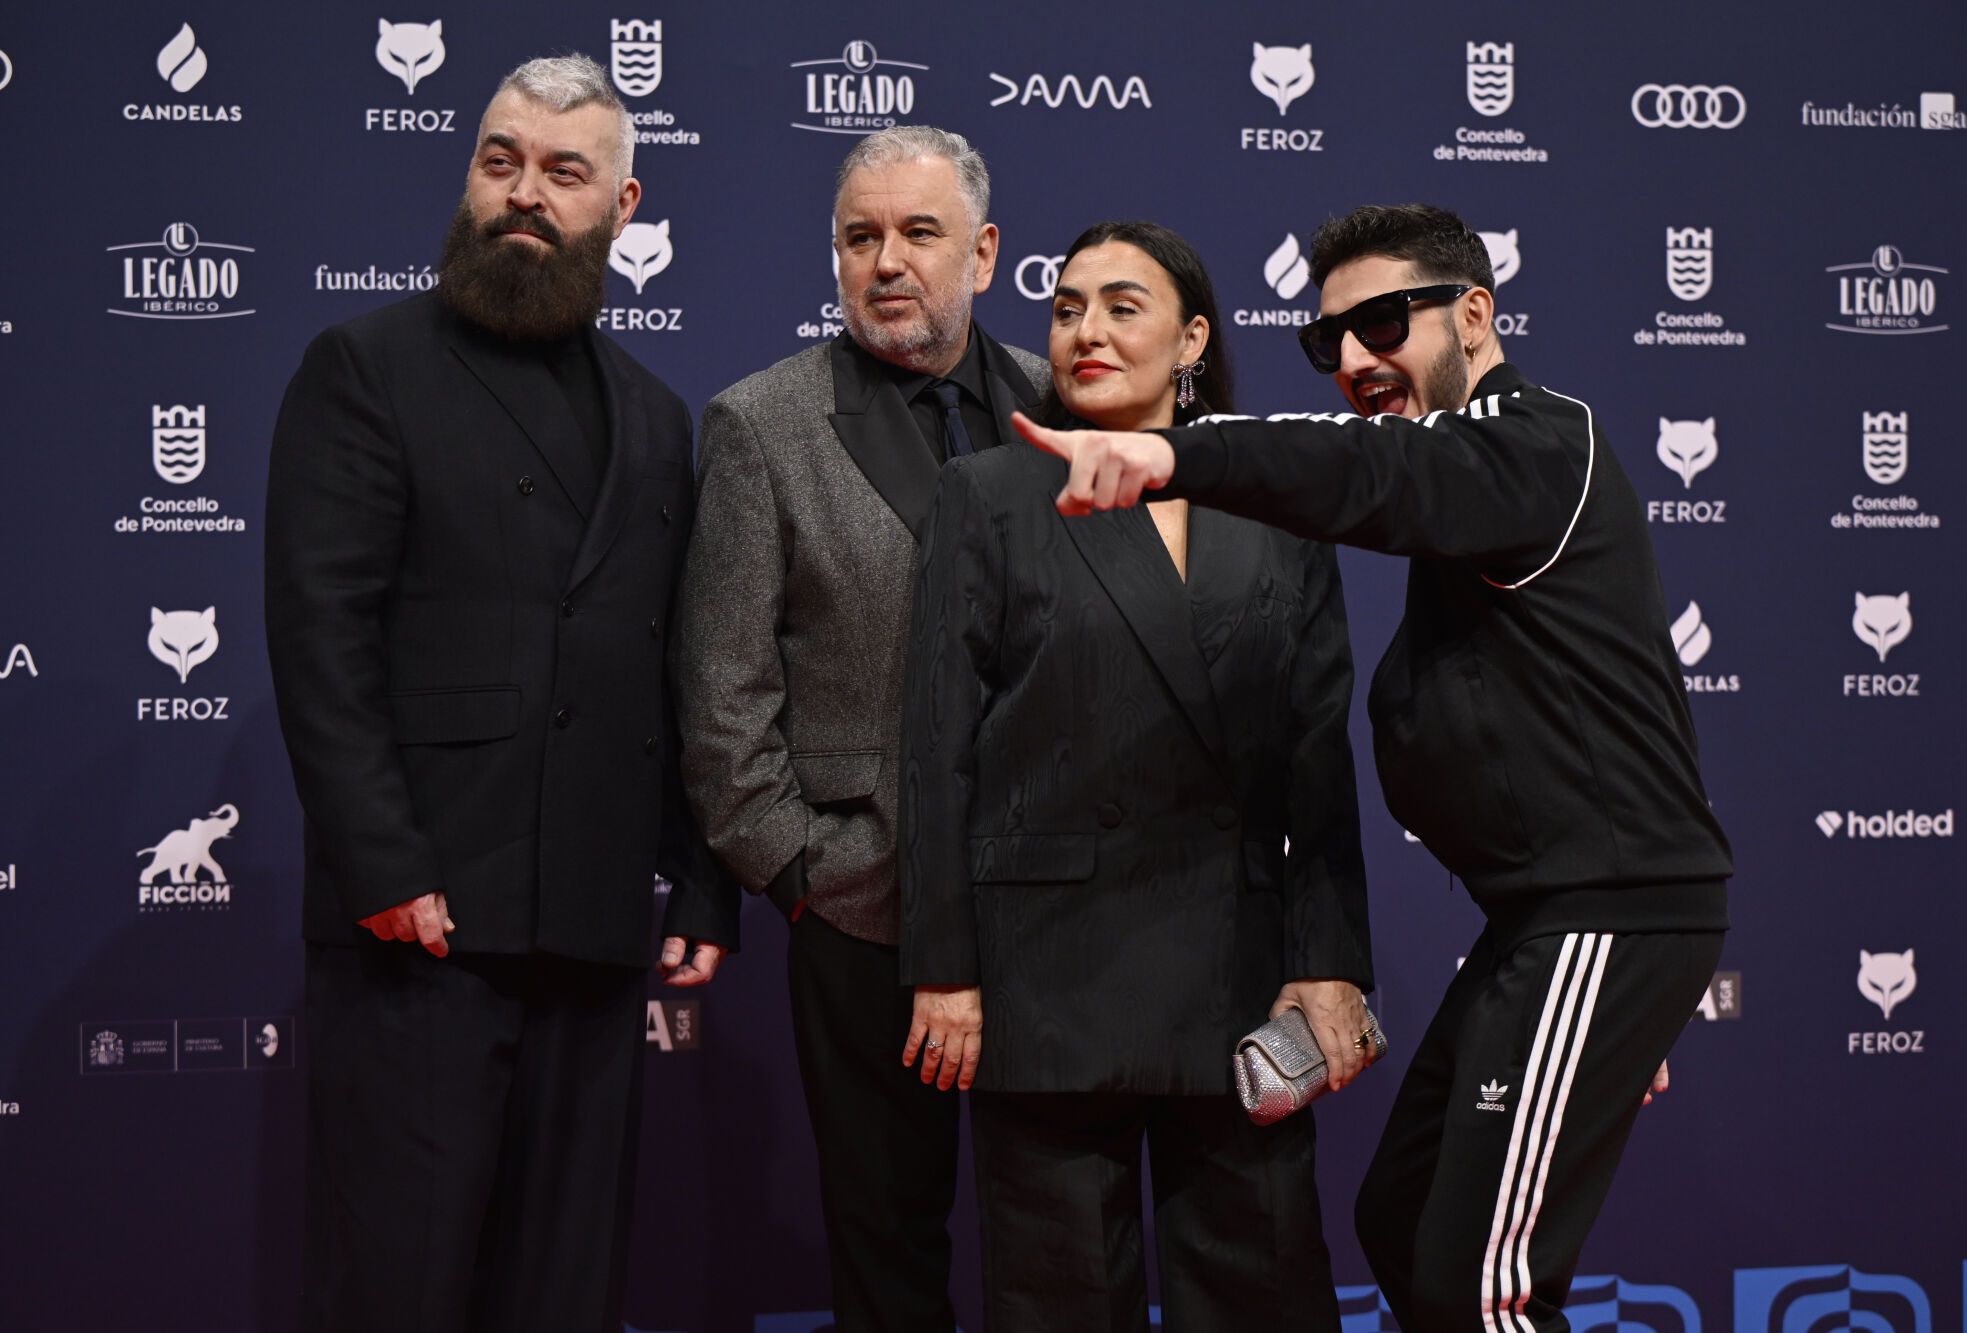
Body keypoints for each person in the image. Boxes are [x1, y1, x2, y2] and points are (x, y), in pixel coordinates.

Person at [1014, 203, 1732, 1333]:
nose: (1353, 360)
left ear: (1474, 316)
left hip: (1600, 910)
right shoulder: (1482, 495)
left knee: (1478, 1294)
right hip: (1555, 927)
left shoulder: (1529, 447)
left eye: (1383, 323)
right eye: (1326, 340)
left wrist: (1172, 452)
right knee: (1401, 1220)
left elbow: (1364, 475)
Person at [265, 54, 734, 1333]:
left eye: (562, 173)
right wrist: (379, 867)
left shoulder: (653, 414)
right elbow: (321, 635)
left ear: (622, 208)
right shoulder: (363, 367)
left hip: (588, 931)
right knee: (404, 1294)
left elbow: (672, 667)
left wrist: (699, 878)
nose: (523, 193)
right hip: (419, 930)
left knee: (564, 1298)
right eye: (499, 161)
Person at [899, 221, 1374, 1332]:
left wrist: (1330, 960)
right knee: (1056, 1299)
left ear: (1192, 338)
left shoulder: (1275, 498)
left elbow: (1318, 756)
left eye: (1121, 305)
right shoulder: (987, 494)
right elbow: (936, 751)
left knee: (1260, 1289)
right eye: (1065, 308)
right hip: (1046, 977)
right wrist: (944, 968)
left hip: (1241, 983)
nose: (1085, 330)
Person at [672, 126, 1047, 1332]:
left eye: (918, 233)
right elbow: (723, 695)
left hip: (1064, 908)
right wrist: (806, 875)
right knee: (886, 1251)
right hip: (861, 911)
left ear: (983, 254)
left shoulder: (1066, 403)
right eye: (859, 237)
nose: (885, 261)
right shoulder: (760, 424)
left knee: (1061, 1240)